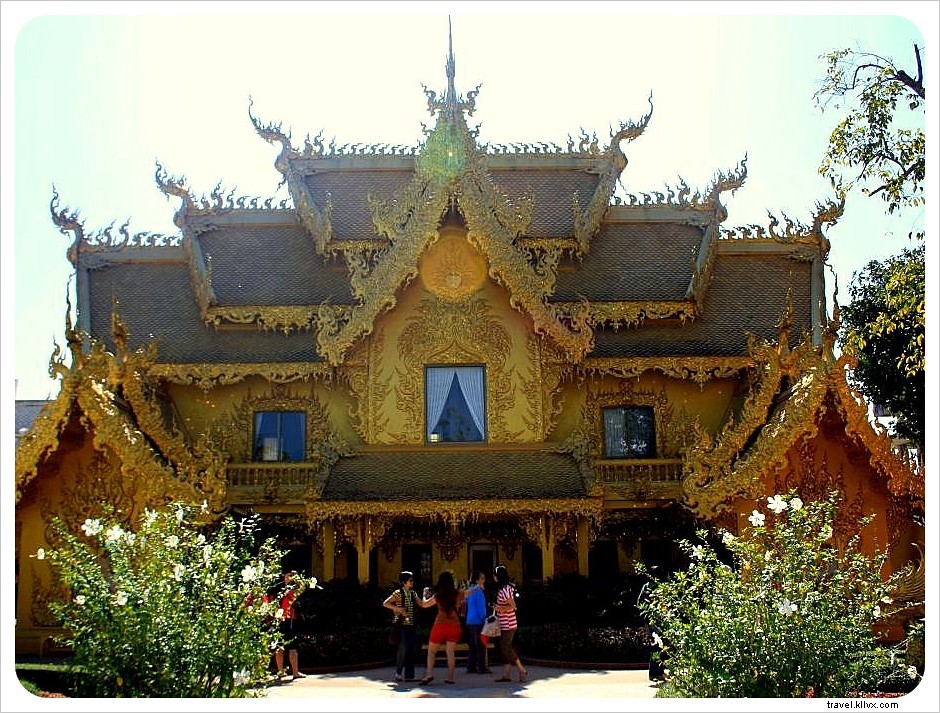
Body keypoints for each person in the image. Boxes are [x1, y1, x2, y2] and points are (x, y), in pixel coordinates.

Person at [418, 570, 466, 685]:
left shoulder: (438, 596)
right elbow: (469, 592)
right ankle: (450, 678)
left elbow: (424, 605)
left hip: (440, 624)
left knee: (432, 651)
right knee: (450, 652)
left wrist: (425, 594)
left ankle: (429, 674)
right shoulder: (458, 594)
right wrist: (478, 587)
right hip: (454, 625)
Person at [383, 570, 426, 683]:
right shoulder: (397, 593)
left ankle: (409, 675)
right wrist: (397, 609)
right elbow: (385, 603)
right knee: (402, 649)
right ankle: (398, 673)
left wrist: (426, 595)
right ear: (404, 582)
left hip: (411, 625)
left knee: (411, 649)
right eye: (410, 580)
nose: (412, 582)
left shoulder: (413, 593)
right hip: (401, 625)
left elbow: (421, 604)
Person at [493, 565, 527, 683]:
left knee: (506, 647)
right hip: (505, 623)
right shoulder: (504, 588)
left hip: (508, 623)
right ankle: (506, 674)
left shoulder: (505, 589)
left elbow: (513, 606)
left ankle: (521, 668)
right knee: (504, 647)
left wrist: (501, 608)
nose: (493, 577)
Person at [274, 570, 306, 680]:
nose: (290, 577)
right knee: (279, 646)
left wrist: (297, 580)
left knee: (293, 647)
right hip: (281, 618)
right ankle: (280, 671)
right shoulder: (279, 588)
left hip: (292, 619)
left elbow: (301, 589)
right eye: (289, 575)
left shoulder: (295, 589)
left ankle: (295, 672)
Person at [464, 570, 489, 674]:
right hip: (478, 621)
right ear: (477, 580)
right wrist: (485, 619)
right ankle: (481, 667)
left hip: (470, 620)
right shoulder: (478, 591)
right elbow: (481, 608)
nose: (484, 580)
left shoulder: (470, 590)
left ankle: (471, 666)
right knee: (480, 645)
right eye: (482, 578)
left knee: (473, 645)